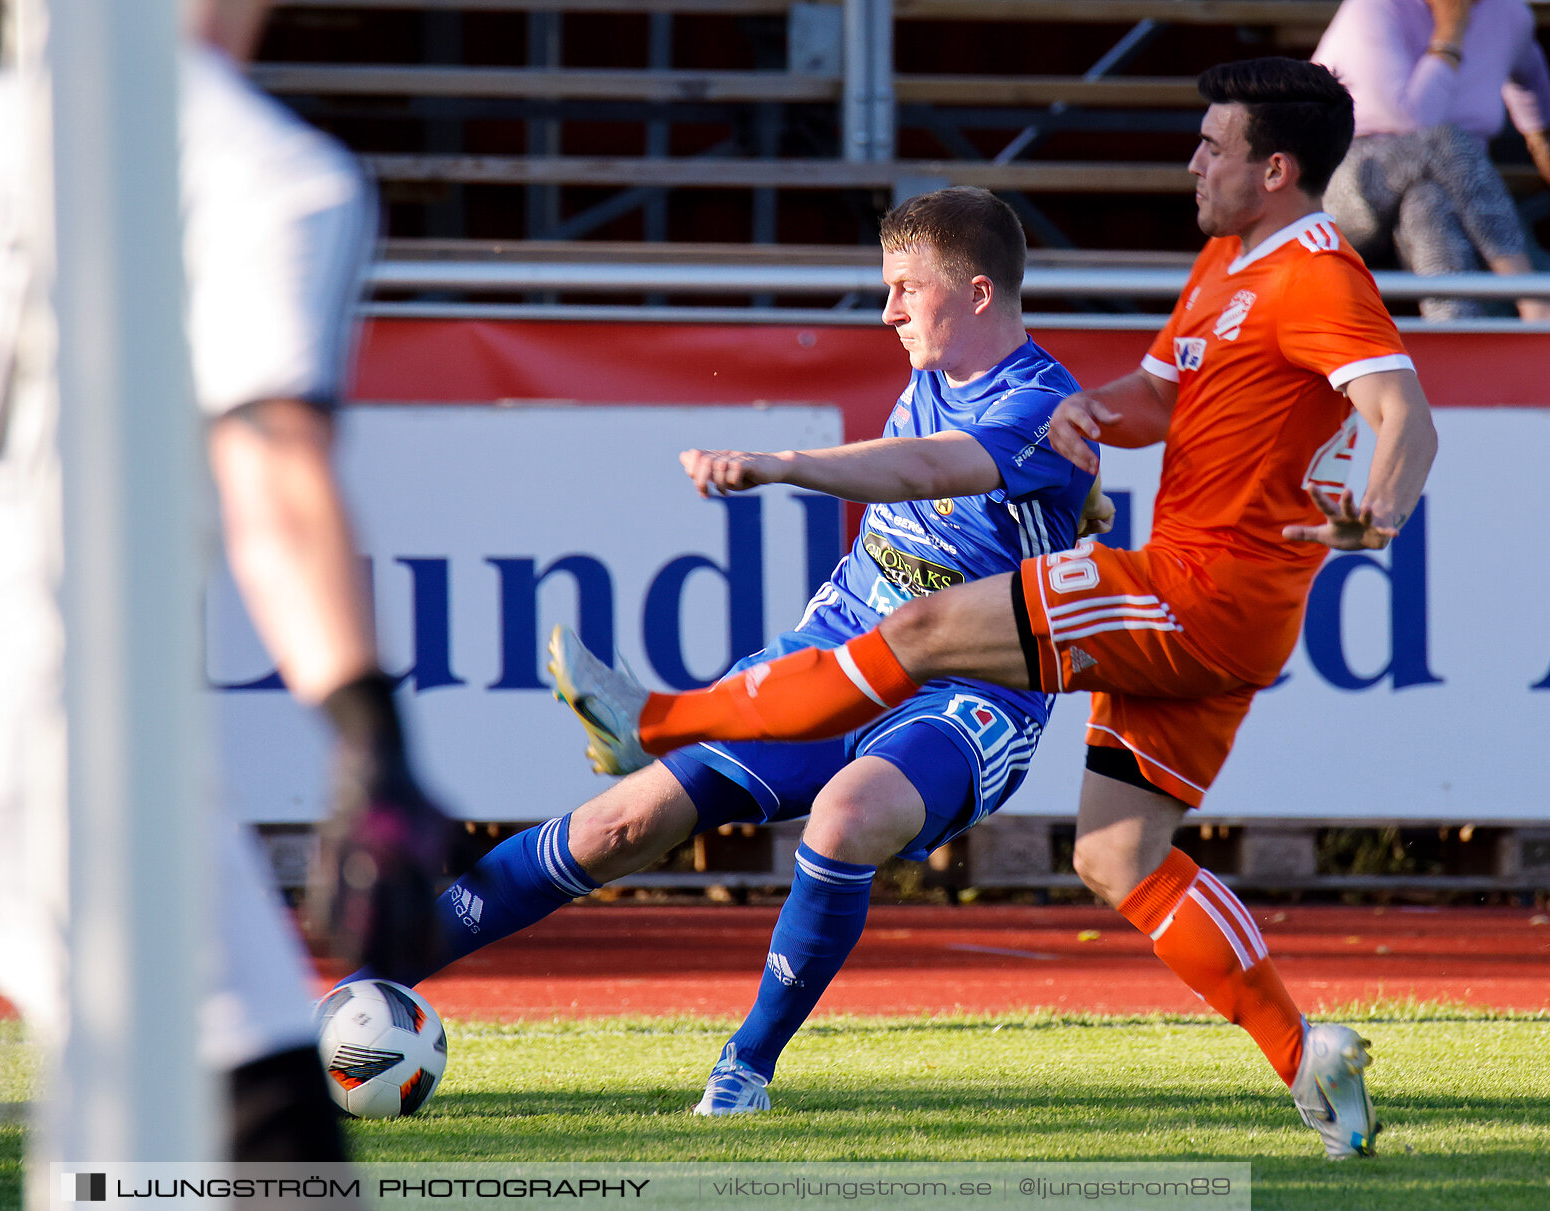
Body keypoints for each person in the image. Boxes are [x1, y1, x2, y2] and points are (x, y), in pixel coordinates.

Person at [553, 59, 1438, 1160]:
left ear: (1275, 167)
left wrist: (1378, 513)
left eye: (1213, 146)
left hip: (1199, 590)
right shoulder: (1227, 264)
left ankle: (652, 720)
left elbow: (1402, 413)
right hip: (1211, 616)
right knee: (1120, 856)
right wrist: (1087, 413)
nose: (1193, 162)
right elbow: (1161, 395)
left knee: (923, 632)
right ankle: (1311, 1059)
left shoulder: (1314, 272)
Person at [0, 0, 440, 1203]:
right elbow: (273, 472)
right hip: (41, 731)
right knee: (271, 1142)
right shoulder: (268, 169)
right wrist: (371, 741)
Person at [350, 186, 1109, 1113]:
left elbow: (924, 468)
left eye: (906, 288)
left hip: (969, 695)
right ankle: (375, 983)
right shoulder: (938, 373)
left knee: (844, 818)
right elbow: (992, 485)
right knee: (615, 826)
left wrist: (783, 466)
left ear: (980, 293)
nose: (888, 311)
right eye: (887, 287)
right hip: (840, 652)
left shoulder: (1043, 403)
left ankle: (744, 1065)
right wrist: (1080, 508)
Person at [1313, 0, 1550, 319]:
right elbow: (1414, 119)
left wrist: (1538, 138)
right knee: (1444, 140)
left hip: (1451, 191)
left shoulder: (1509, 14)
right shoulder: (1372, 8)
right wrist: (1451, 32)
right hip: (1344, 184)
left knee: (1428, 201)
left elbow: (1534, 93)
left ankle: (1456, 332)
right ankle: (1530, 294)